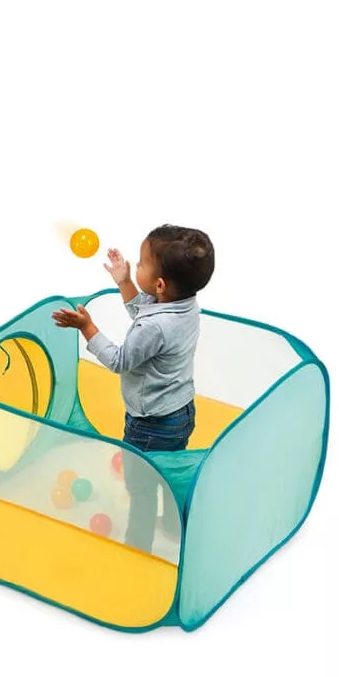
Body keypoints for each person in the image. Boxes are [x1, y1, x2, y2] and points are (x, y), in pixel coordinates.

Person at [52, 224, 215, 552]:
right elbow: (147, 310)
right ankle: (173, 526)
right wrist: (125, 281)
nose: (135, 265)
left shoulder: (155, 327)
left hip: (150, 424)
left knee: (141, 488)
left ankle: (137, 546)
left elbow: (119, 360)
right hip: (181, 413)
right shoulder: (186, 304)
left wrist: (87, 327)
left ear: (159, 285)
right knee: (169, 472)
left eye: (140, 264)